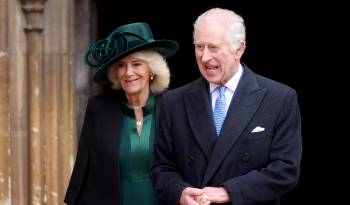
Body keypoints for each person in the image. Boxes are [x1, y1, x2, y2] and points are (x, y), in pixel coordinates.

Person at [151, 8, 302, 205]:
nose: (204, 57)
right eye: (199, 46)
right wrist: (181, 193)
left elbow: (286, 169)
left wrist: (228, 192)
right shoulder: (172, 102)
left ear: (239, 49)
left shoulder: (280, 98)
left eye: (213, 47)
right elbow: (161, 169)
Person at [64, 22, 179, 205]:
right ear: (115, 73)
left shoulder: (173, 107)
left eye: (137, 64)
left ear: (151, 69)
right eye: (121, 65)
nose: (128, 72)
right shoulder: (98, 109)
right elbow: (83, 172)